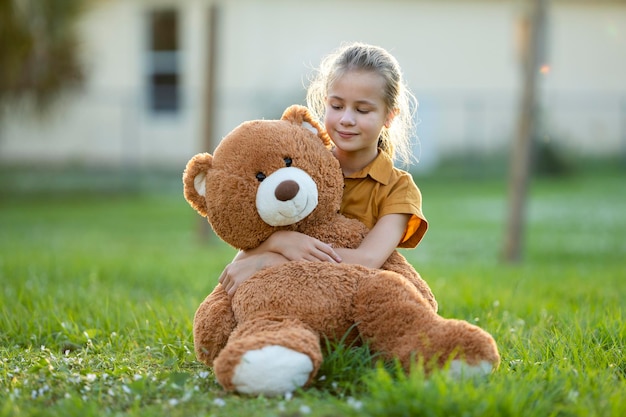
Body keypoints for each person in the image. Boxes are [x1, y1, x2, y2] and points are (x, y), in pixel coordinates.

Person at [219, 42, 428, 296]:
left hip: (355, 299)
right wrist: (280, 241)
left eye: (362, 110)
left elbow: (367, 260)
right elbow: (244, 256)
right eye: (337, 106)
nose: (346, 119)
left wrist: (274, 261)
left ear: (389, 116)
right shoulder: (300, 169)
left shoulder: (398, 189)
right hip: (292, 297)